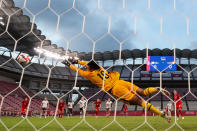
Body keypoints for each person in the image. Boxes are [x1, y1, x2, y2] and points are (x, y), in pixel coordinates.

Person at [62, 59, 170, 119]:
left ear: (90, 68)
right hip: (121, 82)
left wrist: (70, 64)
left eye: (88, 66)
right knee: (142, 92)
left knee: (139, 101)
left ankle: (160, 114)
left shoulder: (90, 75)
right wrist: (78, 61)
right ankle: (158, 89)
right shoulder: (101, 68)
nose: (87, 67)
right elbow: (88, 64)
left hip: (116, 89)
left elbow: (79, 71)